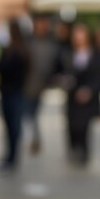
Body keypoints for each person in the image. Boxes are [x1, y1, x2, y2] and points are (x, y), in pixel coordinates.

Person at [59, 23, 100, 166]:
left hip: (88, 99)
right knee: (72, 125)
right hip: (72, 97)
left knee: (84, 126)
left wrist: (90, 90)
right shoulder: (68, 53)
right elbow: (61, 71)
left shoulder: (96, 54)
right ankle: (74, 149)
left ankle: (83, 152)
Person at [0, 19, 29, 171]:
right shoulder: (9, 49)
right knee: (8, 126)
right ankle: (9, 155)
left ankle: (13, 157)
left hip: (15, 93)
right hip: (7, 92)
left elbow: (9, 69)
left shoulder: (20, 51)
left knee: (14, 127)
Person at [23, 14, 59, 156]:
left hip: (43, 86)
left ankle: (35, 140)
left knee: (34, 114)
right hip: (28, 85)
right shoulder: (28, 42)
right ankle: (33, 140)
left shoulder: (53, 43)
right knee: (29, 115)